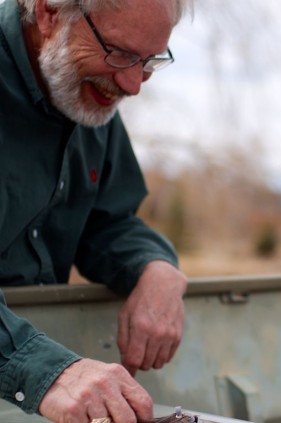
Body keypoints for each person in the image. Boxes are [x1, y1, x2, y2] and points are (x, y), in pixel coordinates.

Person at [0, 0, 193, 421]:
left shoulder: (89, 95)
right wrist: (48, 372)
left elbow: (108, 222)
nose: (133, 84)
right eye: (121, 53)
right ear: (49, 13)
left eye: (149, 61)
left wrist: (154, 267)